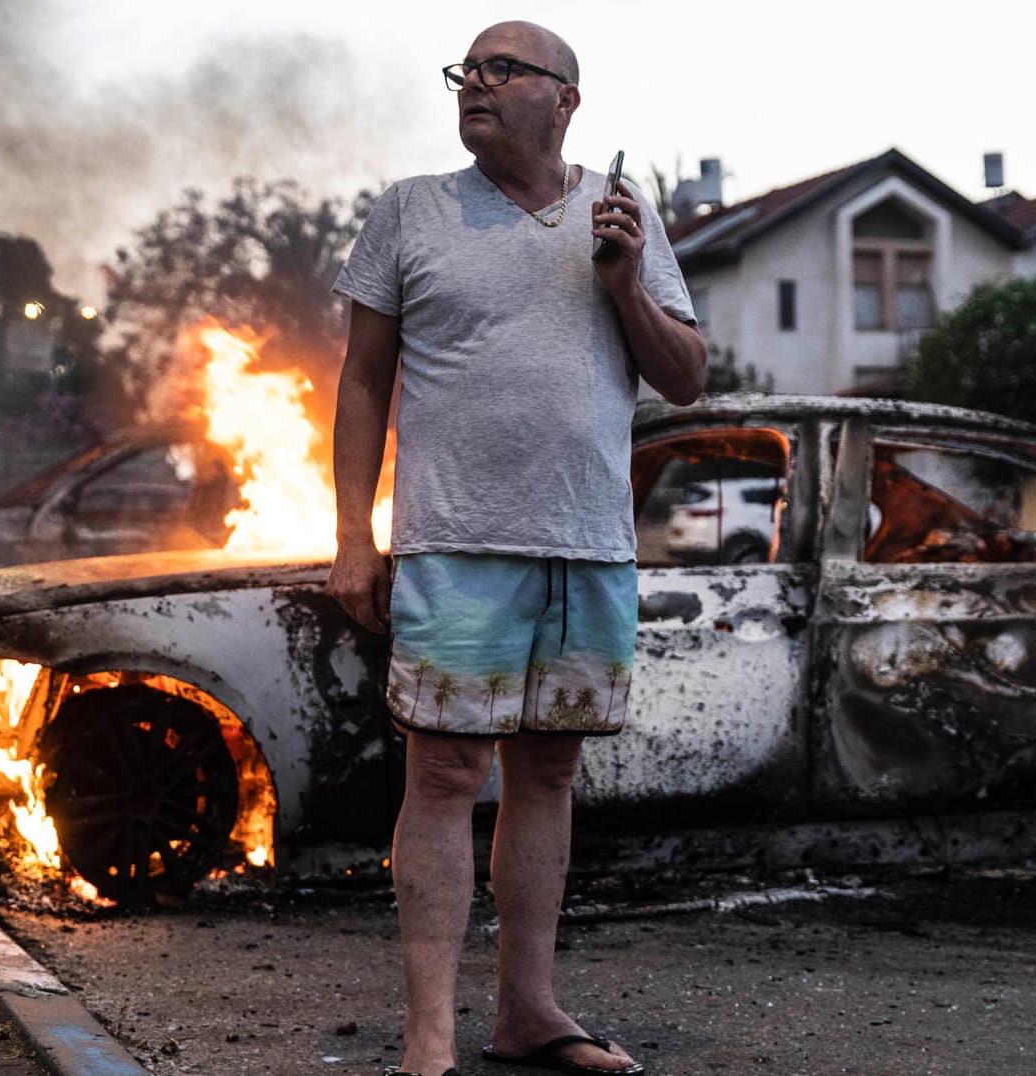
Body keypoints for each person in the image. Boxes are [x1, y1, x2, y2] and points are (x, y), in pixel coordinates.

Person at [327, 20, 705, 1076]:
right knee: (444, 769)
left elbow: (684, 377)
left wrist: (627, 277)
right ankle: (430, 1035)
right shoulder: (410, 210)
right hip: (454, 539)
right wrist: (354, 534)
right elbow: (362, 380)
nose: (475, 85)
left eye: (502, 70)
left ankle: (528, 1011)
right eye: (467, 71)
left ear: (565, 99)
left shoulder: (624, 213)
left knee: (550, 769)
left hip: (587, 543)